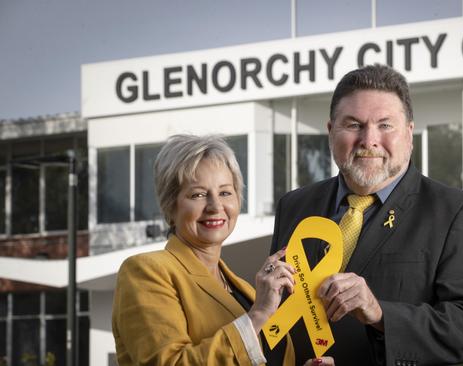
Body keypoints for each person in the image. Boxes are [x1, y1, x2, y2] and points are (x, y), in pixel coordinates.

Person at [270, 65, 463, 365]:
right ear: (331, 132)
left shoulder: (458, 214)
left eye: (385, 125)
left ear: (409, 133)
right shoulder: (294, 206)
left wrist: (380, 313)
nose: (369, 140)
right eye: (353, 124)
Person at [112, 134, 334, 366]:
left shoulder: (245, 290)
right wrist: (257, 316)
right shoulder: (145, 272)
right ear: (170, 206)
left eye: (225, 192)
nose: (215, 206)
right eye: (198, 194)